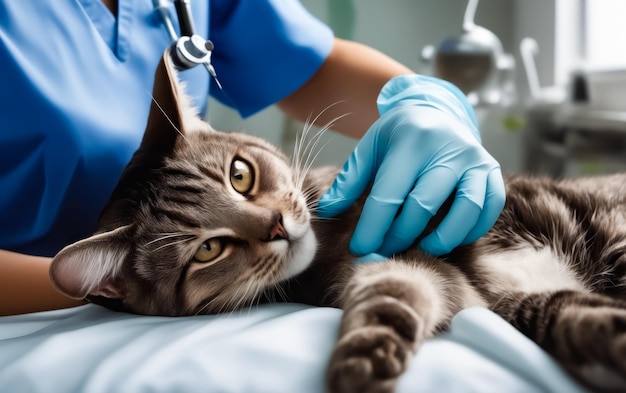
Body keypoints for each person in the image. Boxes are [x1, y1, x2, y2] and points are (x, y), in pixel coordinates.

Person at [0, 0, 505, 316]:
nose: (274, 224)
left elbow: (311, 63)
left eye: (241, 178)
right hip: (63, 303)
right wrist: (137, 288)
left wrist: (425, 104)